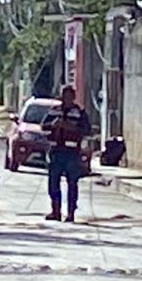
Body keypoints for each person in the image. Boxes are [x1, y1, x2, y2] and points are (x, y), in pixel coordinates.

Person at [41, 85, 92, 222]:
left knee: (72, 183)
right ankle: (55, 211)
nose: (67, 99)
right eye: (65, 96)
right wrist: (53, 125)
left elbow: (87, 130)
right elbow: (43, 127)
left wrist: (71, 127)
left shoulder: (79, 113)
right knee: (53, 183)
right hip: (56, 152)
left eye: (70, 96)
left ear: (74, 97)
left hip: (72, 153)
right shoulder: (54, 111)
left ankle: (71, 213)